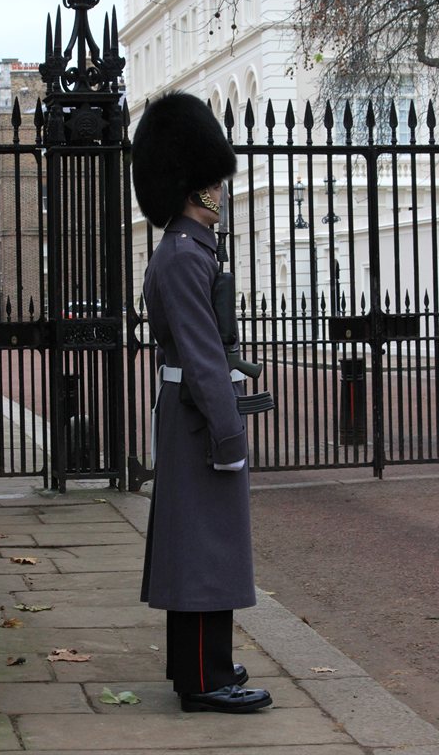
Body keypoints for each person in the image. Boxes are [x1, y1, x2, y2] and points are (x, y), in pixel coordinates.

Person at [132, 92, 272, 714]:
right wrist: (228, 435)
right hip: (196, 423)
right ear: (198, 186)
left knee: (205, 546)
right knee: (199, 550)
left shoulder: (188, 250)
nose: (223, 189)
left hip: (190, 417)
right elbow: (202, 357)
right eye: (214, 179)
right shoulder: (185, 257)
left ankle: (208, 664)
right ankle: (200, 679)